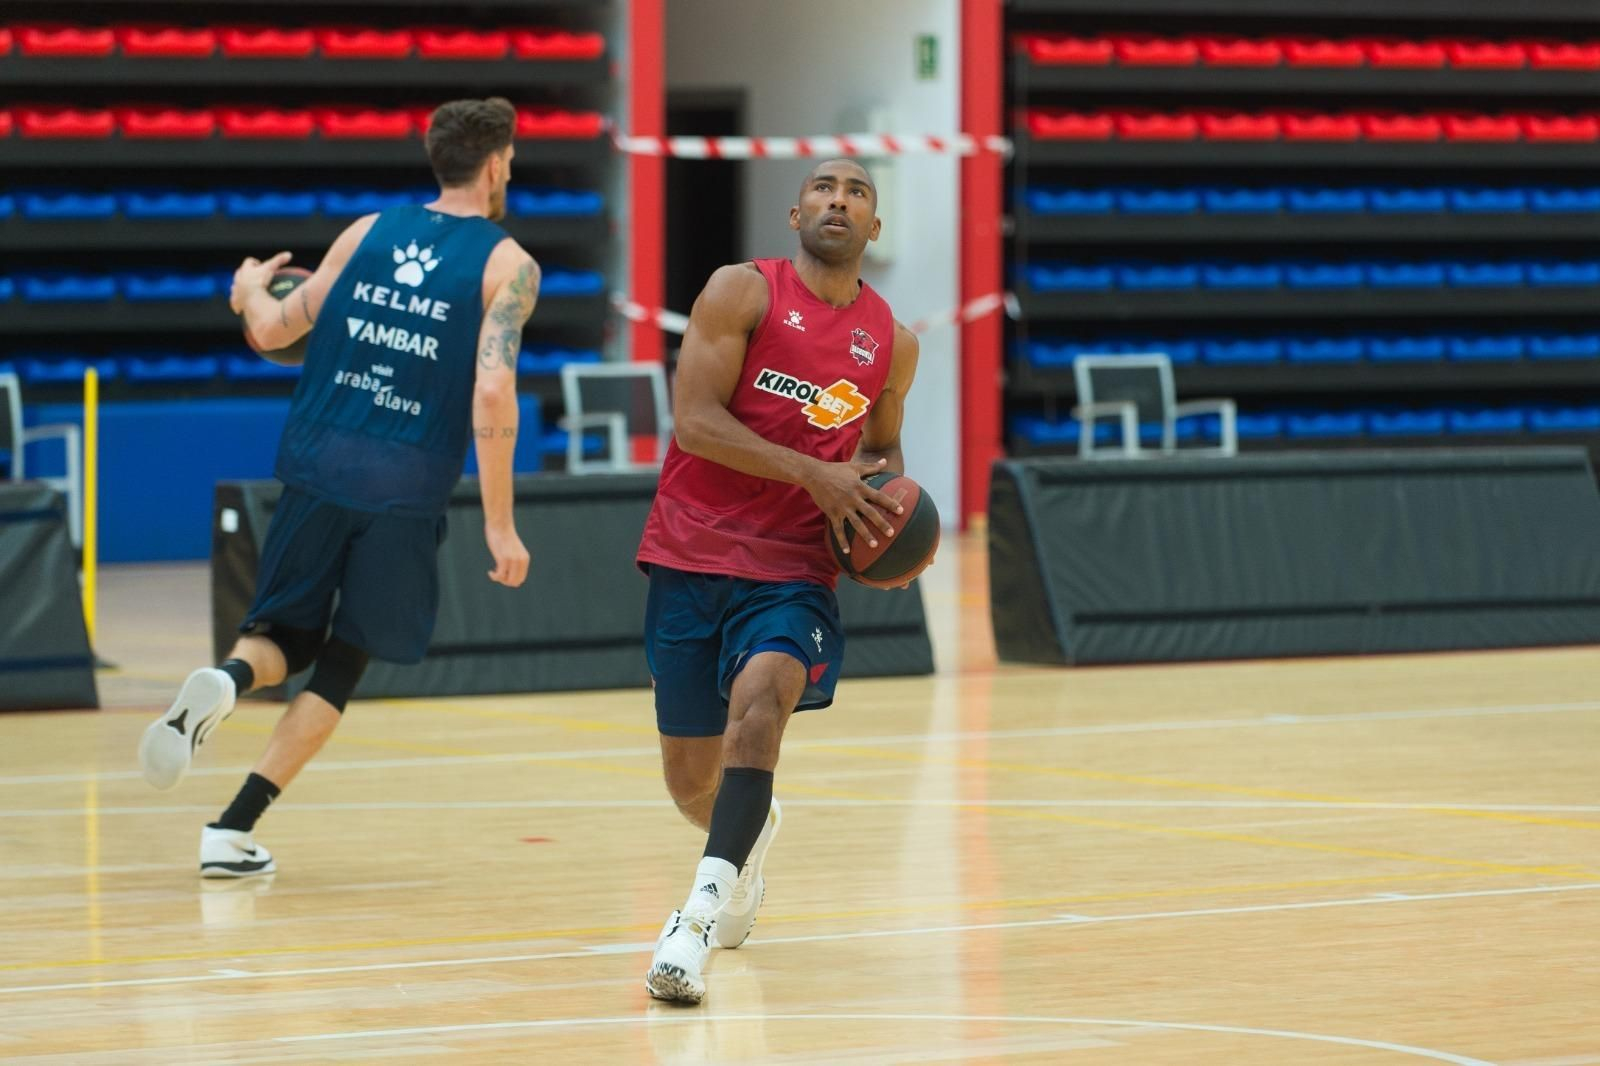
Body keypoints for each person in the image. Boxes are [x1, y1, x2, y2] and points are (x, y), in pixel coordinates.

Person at [137, 97, 538, 878]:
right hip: (405, 488)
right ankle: (229, 828)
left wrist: (248, 288)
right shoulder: (507, 265)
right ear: (495, 164)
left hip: (317, 468)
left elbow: (275, 331)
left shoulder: (366, 232)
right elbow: (493, 392)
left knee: (279, 638)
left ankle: (225, 684)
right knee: (345, 661)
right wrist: (500, 523)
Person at [636, 159, 922, 1003]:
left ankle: (692, 921)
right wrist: (816, 473)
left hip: (794, 569)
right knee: (693, 779)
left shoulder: (893, 342)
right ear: (796, 211)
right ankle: (747, 832)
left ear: (874, 228)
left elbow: (879, 453)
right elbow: (693, 422)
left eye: (858, 191)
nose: (839, 198)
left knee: (761, 705)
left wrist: (880, 525)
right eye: (825, 187)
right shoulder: (741, 292)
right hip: (692, 551)